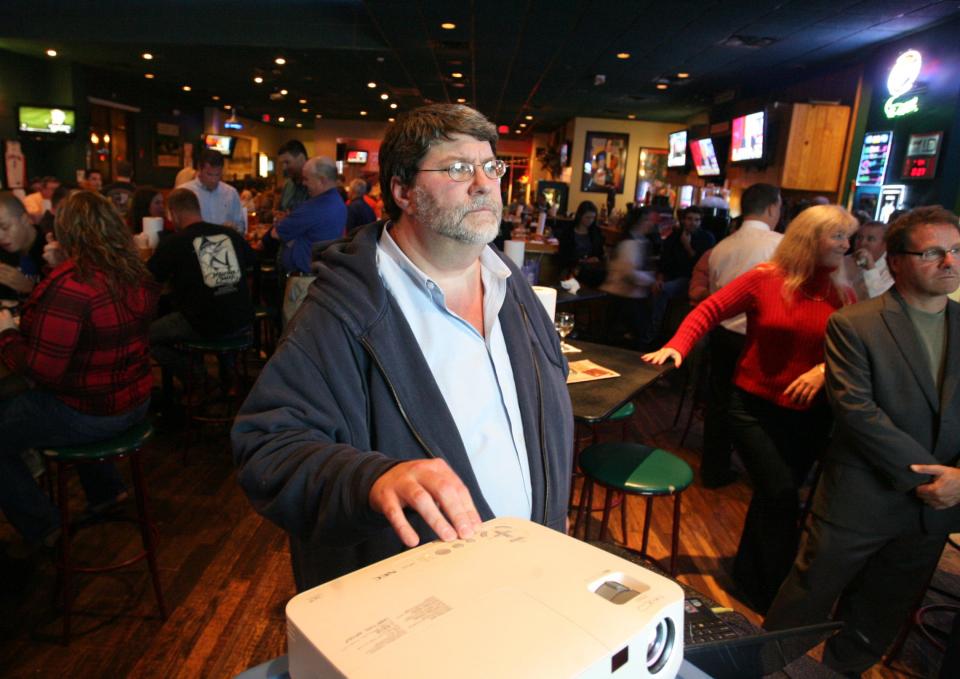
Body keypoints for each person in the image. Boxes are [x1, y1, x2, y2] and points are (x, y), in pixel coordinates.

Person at [232, 103, 573, 590]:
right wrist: (371, 479)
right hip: (416, 608)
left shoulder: (512, 286)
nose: (483, 182)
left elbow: (544, 419)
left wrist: (552, 512)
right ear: (403, 191)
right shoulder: (345, 310)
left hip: (527, 582)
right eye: (458, 168)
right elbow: (267, 447)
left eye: (490, 166)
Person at [764, 206, 960, 675]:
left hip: (935, 508)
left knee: (880, 612)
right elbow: (858, 413)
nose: (949, 262)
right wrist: (936, 477)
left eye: (954, 250)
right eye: (932, 252)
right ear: (896, 260)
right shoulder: (856, 323)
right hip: (861, 498)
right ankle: (761, 670)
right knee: (804, 601)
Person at [644, 204, 858, 613]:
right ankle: (773, 593)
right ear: (810, 238)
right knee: (779, 494)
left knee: (773, 496)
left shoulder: (842, 292)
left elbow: (852, 350)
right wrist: (678, 345)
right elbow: (709, 309)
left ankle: (748, 575)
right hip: (754, 406)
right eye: (838, 236)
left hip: (812, 413)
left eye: (849, 237)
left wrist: (824, 367)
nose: (846, 245)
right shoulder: (766, 279)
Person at [0, 191, 158, 548]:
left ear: (67, 234)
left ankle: (43, 526)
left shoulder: (70, 284)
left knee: (52, 400)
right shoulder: (135, 271)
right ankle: (107, 491)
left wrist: (7, 334)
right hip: (135, 400)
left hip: (93, 414)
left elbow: (43, 372)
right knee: (83, 384)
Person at [701, 182, 783, 488]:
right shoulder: (780, 246)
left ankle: (714, 468)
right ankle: (764, 474)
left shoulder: (721, 247)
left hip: (722, 336)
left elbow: (714, 301)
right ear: (773, 207)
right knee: (758, 410)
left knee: (720, 404)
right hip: (758, 340)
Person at [147, 189, 254, 402]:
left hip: (204, 324)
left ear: (173, 214)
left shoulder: (174, 242)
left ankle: (197, 377)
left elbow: (150, 278)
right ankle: (229, 374)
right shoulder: (229, 235)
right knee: (219, 307)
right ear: (198, 209)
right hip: (243, 320)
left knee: (145, 338)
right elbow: (250, 262)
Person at [273, 157, 346, 324]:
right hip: (320, 281)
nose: (304, 183)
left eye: (307, 179)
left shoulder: (316, 206)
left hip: (304, 285)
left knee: (294, 341)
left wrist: (292, 239)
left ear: (322, 180)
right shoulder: (337, 202)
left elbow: (278, 232)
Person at [652, 206, 715, 339]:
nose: (693, 223)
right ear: (683, 220)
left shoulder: (706, 238)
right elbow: (664, 261)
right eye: (689, 219)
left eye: (696, 220)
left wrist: (687, 246)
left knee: (664, 290)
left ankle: (653, 333)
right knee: (652, 287)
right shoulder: (674, 236)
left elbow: (701, 265)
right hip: (671, 276)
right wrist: (659, 278)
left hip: (690, 279)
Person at [600, 206, 657, 347]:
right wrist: (651, 280)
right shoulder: (629, 244)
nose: (650, 223)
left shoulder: (638, 240)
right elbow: (629, 273)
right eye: (647, 220)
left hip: (628, 296)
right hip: (624, 297)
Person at [181, 149, 247, 235]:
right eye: (209, 174)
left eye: (218, 174)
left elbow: (241, 226)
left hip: (224, 245)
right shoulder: (185, 192)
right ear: (199, 169)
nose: (214, 180)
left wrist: (235, 227)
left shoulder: (231, 193)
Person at [0, 192, 46, 301]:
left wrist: (30, 289)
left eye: (5, 227)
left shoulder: (51, 250)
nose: (0, 236)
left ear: (25, 219)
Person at [841, 219, 893, 301]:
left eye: (870, 239)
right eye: (859, 237)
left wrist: (870, 269)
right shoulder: (845, 261)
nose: (862, 243)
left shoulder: (892, 271)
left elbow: (880, 304)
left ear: (885, 244)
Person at [557, 200, 606, 287]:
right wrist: (581, 261)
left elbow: (600, 253)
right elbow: (564, 255)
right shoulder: (569, 232)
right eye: (587, 217)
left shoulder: (595, 232)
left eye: (593, 218)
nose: (590, 220)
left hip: (591, 269)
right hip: (572, 267)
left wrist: (596, 259)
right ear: (580, 216)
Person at [276, 140, 309, 214]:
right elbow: (282, 210)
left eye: (287, 162)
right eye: (282, 163)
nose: (284, 168)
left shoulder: (316, 185)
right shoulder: (288, 184)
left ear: (301, 158)